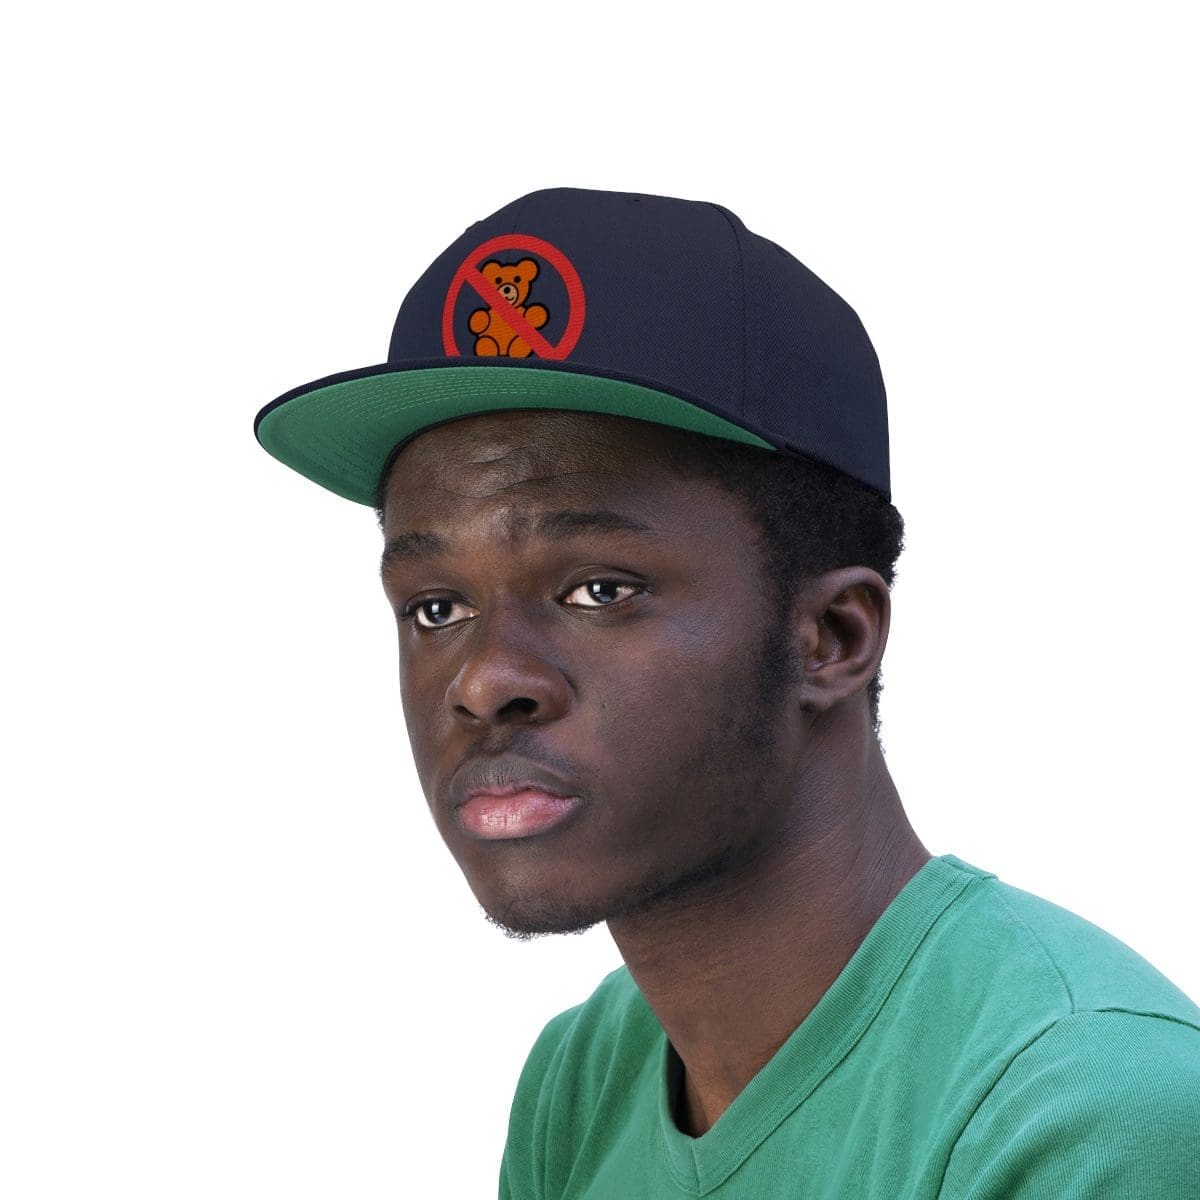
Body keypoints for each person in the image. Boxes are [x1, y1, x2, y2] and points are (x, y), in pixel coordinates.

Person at [254, 188, 1200, 1198]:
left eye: (598, 590)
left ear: (831, 638)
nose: (486, 680)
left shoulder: (1086, 1105)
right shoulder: (584, 1079)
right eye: (436, 607)